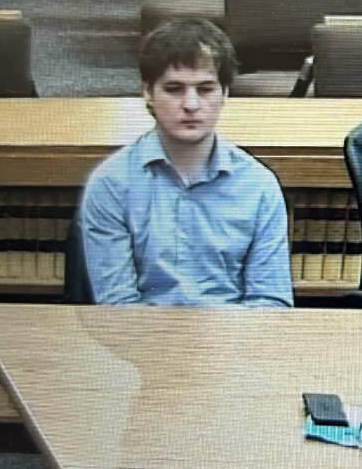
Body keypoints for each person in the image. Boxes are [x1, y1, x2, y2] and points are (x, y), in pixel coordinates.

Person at [78, 17, 293, 307]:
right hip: (141, 344)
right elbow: (118, 307)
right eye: (174, 88)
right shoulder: (111, 183)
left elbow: (270, 302)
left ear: (225, 93)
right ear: (147, 93)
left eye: (205, 89)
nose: (191, 104)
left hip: (234, 344)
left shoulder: (259, 186)